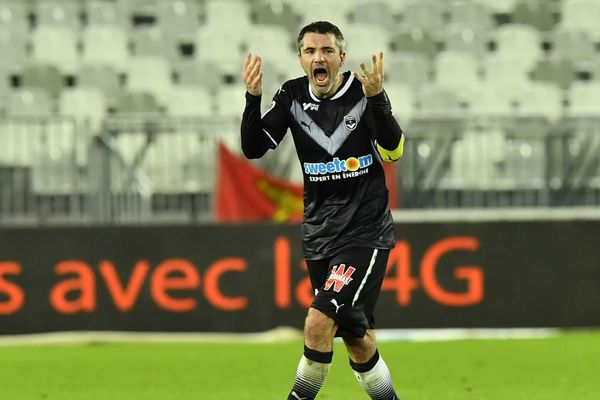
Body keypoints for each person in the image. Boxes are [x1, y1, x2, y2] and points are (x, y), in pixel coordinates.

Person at [240, 21, 404, 400]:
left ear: (341, 58)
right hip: (318, 235)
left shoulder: (365, 94)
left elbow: (393, 150)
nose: (319, 57)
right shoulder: (292, 95)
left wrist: (378, 98)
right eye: (311, 51)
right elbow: (254, 148)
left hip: (365, 232)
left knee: (317, 322)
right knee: (357, 340)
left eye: (327, 51)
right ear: (300, 59)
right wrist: (252, 99)